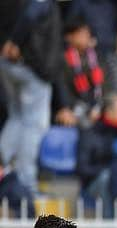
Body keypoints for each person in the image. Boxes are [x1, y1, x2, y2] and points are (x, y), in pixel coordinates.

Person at [0, 0, 62, 189]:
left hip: (11, 64)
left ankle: (3, 167)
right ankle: (26, 182)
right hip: (30, 66)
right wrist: (14, 42)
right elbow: (31, 13)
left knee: (17, 118)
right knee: (34, 125)